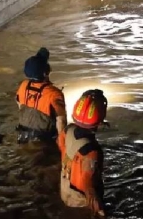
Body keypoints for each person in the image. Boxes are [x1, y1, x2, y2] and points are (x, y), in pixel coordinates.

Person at [59, 89, 108, 217]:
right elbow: (89, 187)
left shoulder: (68, 130)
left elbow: (61, 147)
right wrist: (101, 212)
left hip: (65, 189)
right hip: (80, 201)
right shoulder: (91, 152)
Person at [16, 47, 67, 143]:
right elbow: (61, 121)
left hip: (22, 135)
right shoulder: (54, 94)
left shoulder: (23, 85)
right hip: (43, 141)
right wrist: (62, 144)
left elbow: (20, 106)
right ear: (46, 72)